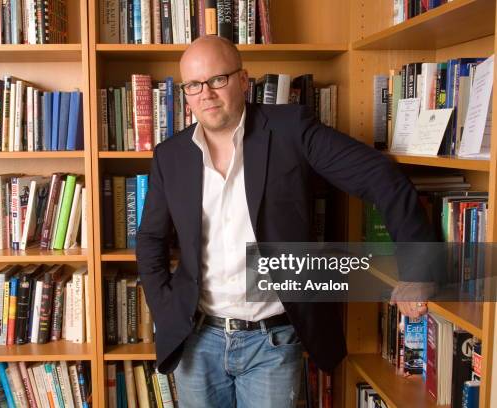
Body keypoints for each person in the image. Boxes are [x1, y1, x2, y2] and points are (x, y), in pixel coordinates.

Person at [136, 35, 434, 407]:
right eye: (194, 85)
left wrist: (417, 268)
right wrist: (165, 309)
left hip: (272, 342)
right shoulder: (171, 155)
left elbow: (379, 176)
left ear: (243, 80)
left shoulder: (291, 128)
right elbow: (150, 238)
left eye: (218, 79)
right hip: (198, 340)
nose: (206, 94)